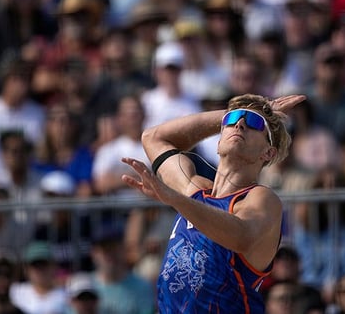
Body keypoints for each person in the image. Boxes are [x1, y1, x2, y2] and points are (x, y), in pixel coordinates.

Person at [119, 93, 305, 313]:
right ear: (218, 142)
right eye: (233, 121)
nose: (241, 124)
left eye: (255, 123)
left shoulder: (261, 198)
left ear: (268, 152)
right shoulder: (193, 189)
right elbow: (153, 137)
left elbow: (242, 236)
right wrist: (233, 114)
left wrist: (175, 199)